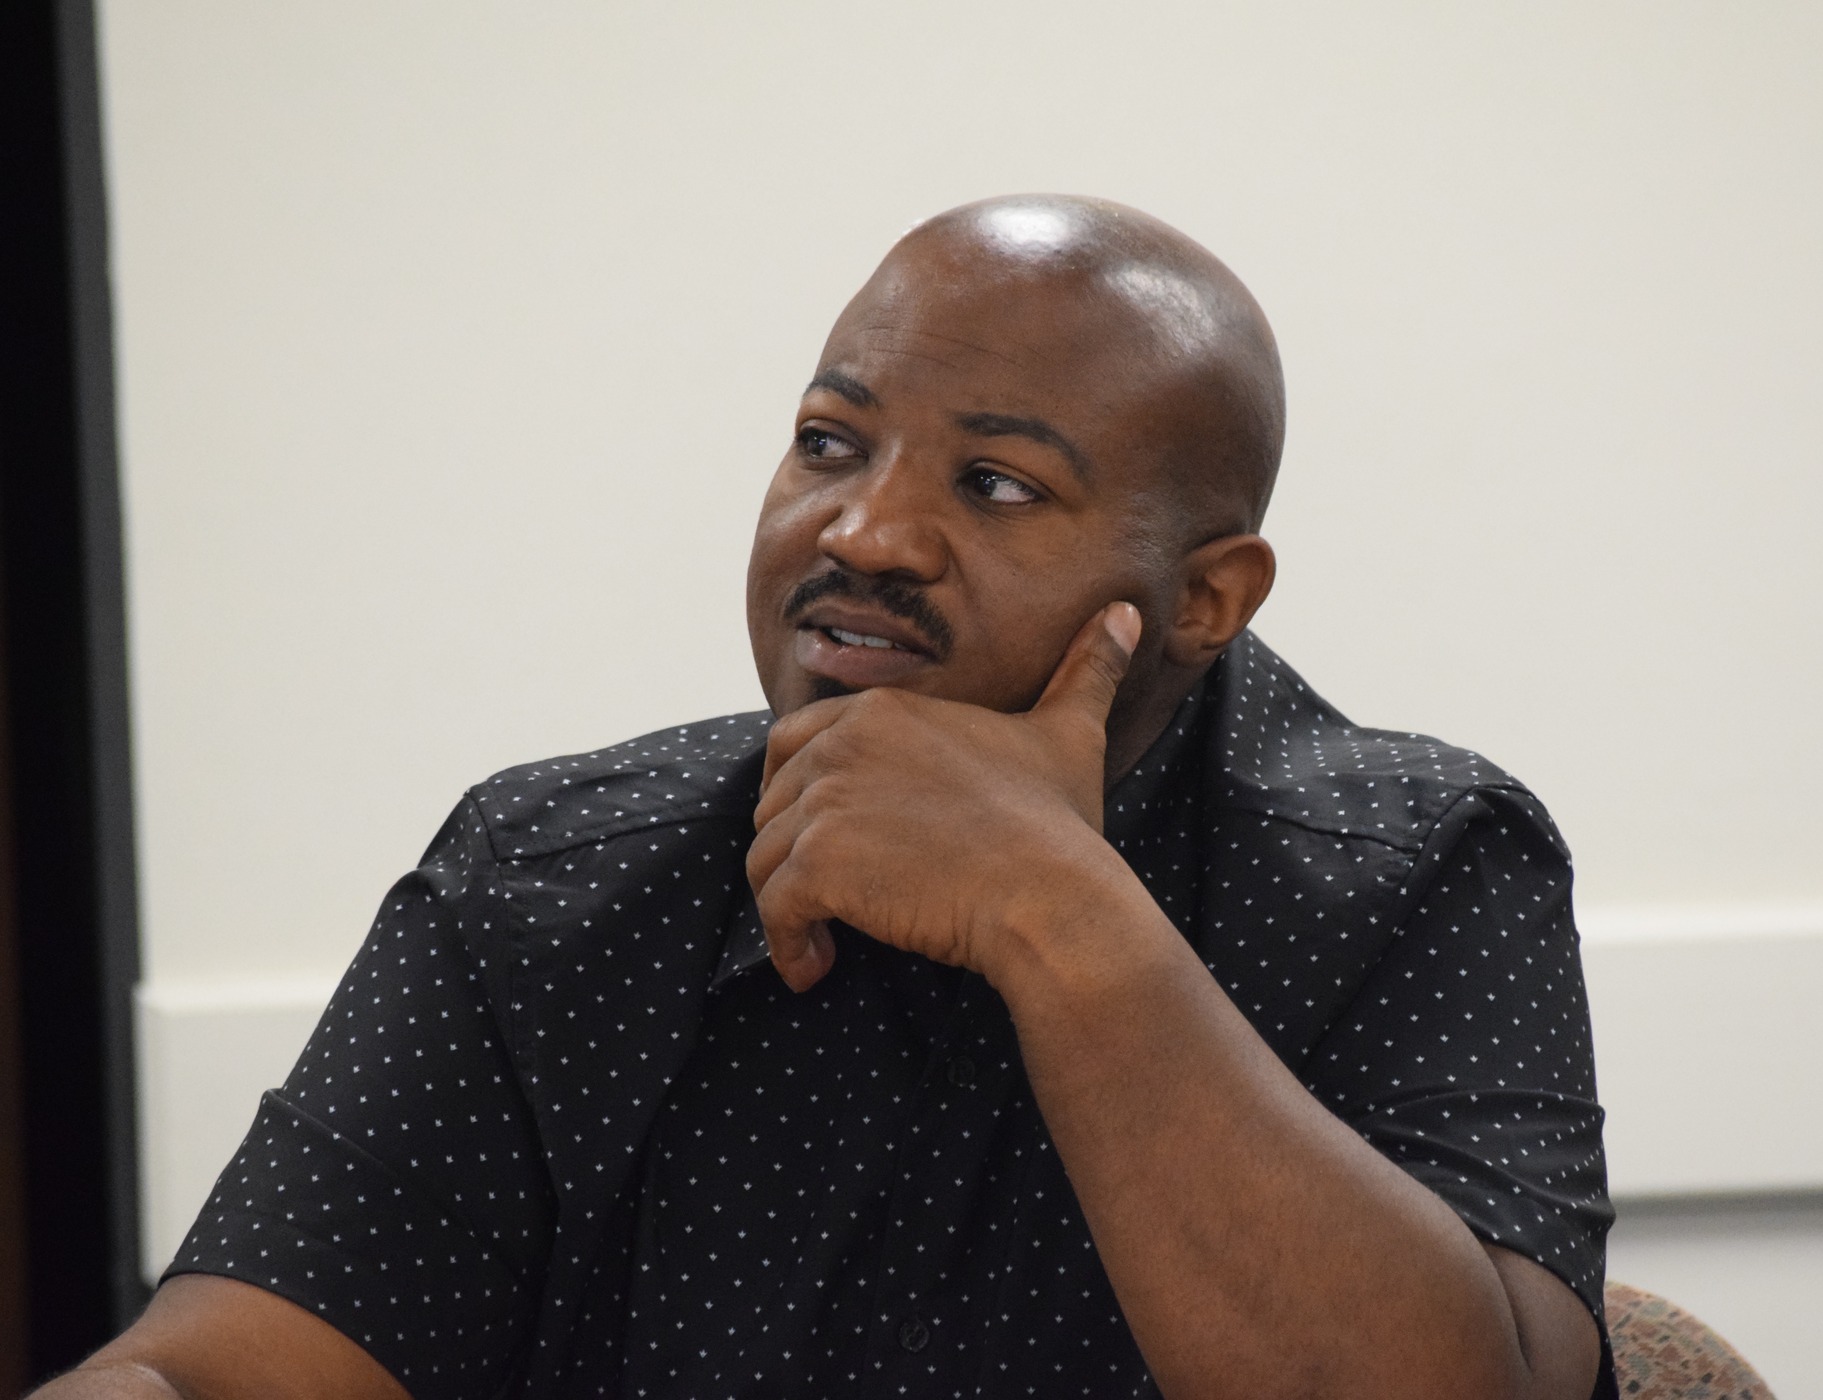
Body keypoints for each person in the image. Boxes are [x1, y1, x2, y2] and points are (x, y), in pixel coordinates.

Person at [39, 195, 1614, 1400]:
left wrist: (1049, 907)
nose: (863, 530)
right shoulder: (557, 879)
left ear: (1207, 599)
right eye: (828, 443)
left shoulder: (1413, 864)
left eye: (993, 483)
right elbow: (214, 1365)